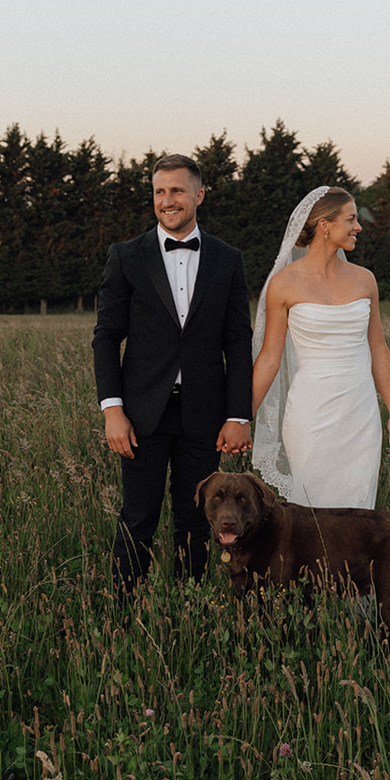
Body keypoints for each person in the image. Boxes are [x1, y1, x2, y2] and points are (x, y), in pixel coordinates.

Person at [92, 154, 254, 596]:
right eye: (159, 191)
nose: (168, 200)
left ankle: (189, 608)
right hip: (140, 414)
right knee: (138, 517)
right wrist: (112, 411)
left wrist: (238, 415)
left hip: (205, 412)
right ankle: (124, 611)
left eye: (177, 191)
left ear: (199, 195)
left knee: (196, 518)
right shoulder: (126, 256)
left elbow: (238, 341)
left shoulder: (227, 259)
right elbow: (106, 337)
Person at [250, 186, 390, 508]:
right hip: (311, 415)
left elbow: (378, 349)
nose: (358, 227)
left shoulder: (365, 280)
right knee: (310, 512)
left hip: (360, 415)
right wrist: (241, 418)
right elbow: (269, 359)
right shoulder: (284, 284)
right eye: (351, 219)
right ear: (324, 225)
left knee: (357, 515)